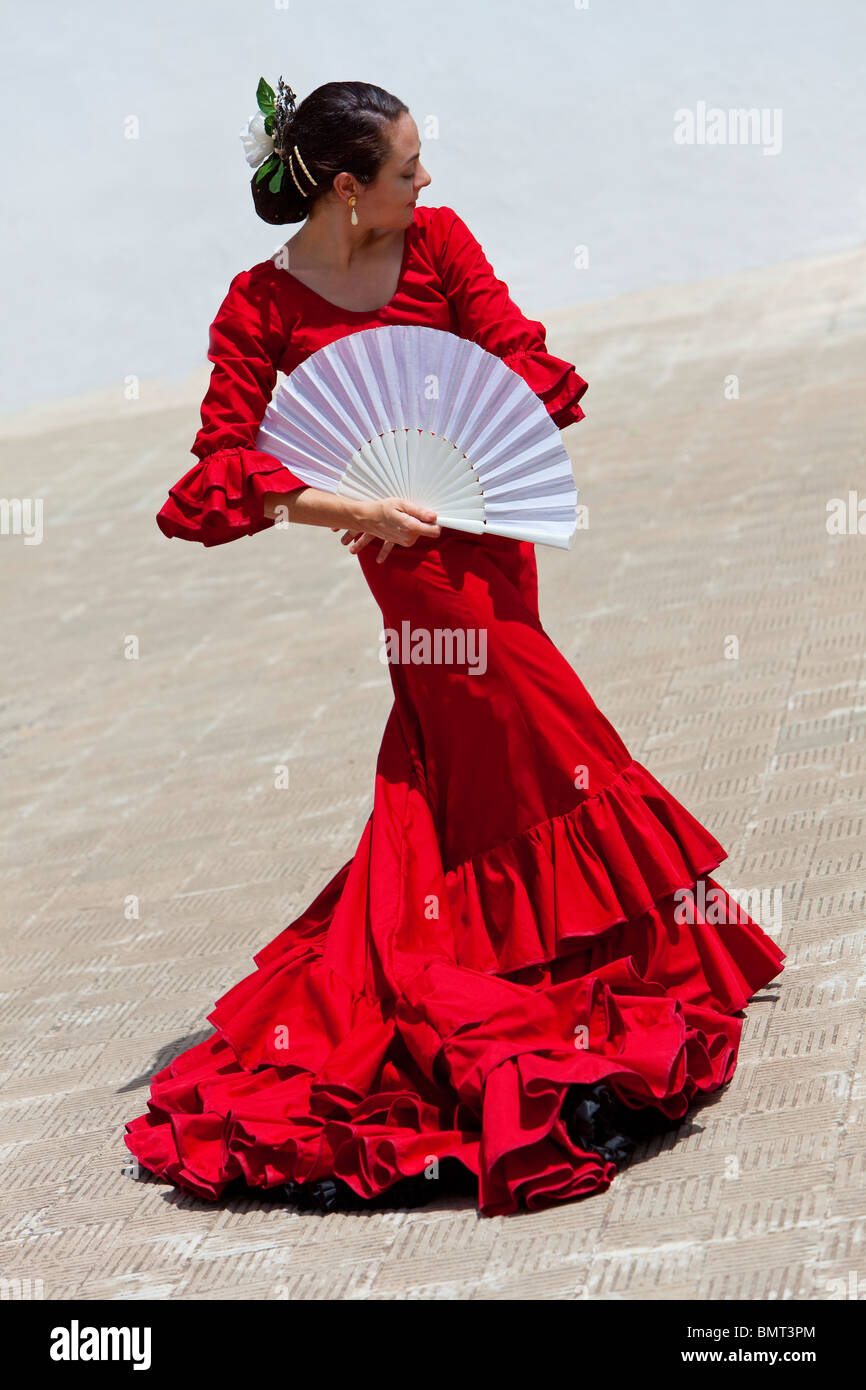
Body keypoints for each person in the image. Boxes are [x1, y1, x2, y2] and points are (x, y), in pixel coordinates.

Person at [124, 78, 785, 1217]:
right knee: (527, 728)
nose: (425, 180)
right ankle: (542, 961)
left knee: (514, 742)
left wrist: (482, 433)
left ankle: (559, 942)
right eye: (404, 165)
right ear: (345, 187)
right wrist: (359, 512)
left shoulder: (436, 240)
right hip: (402, 558)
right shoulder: (259, 306)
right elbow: (219, 471)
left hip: (485, 520)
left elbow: (506, 344)